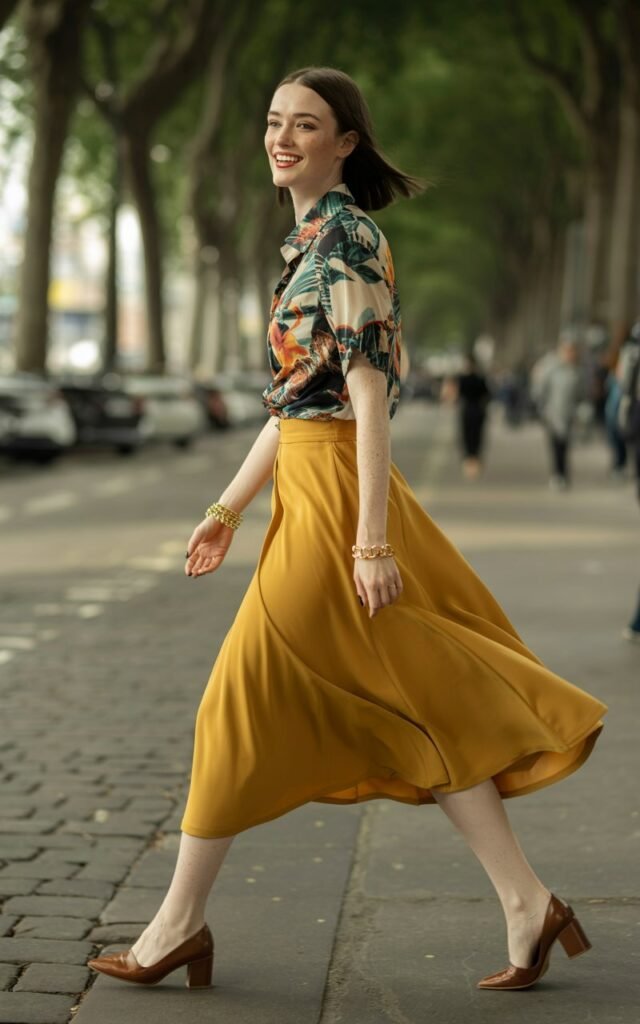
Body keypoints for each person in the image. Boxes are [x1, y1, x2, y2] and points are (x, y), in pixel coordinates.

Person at [88, 67, 607, 995]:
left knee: (236, 700)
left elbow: (367, 402)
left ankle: (177, 926)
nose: (282, 138)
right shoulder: (304, 246)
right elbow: (291, 404)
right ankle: (528, 903)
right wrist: (225, 510)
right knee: (414, 699)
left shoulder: (350, 239)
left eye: (306, 124)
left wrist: (369, 542)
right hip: (307, 485)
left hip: (338, 498)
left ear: (346, 142)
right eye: (274, 121)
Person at [532, 339, 583, 490]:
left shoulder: (576, 372)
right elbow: (541, 390)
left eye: (572, 352)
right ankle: (557, 474)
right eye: (567, 351)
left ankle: (564, 474)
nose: (569, 355)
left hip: (569, 414)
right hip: (552, 413)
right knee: (555, 445)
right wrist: (542, 408)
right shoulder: (551, 370)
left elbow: (581, 394)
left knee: (565, 445)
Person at [452, 352, 491, 478]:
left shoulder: (462, 379)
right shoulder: (481, 378)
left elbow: (458, 395)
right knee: (476, 437)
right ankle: (475, 462)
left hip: (467, 411)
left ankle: (469, 463)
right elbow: (487, 395)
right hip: (478, 411)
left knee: (467, 437)